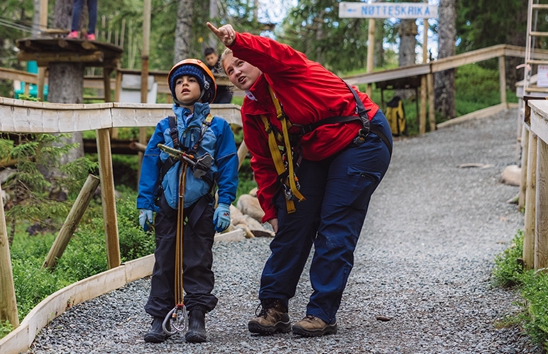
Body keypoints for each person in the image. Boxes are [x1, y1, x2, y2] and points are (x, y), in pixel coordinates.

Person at [206, 22, 392, 338]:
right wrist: (271, 211)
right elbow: (263, 162)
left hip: (361, 137)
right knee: (293, 220)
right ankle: (274, 308)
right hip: (318, 149)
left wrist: (237, 41)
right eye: (230, 70)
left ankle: (322, 313)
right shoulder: (253, 109)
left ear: (255, 60)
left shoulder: (287, 69)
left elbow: (272, 52)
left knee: (335, 222)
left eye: (241, 62)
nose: (236, 72)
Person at [136, 59, 239, 343]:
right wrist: (145, 204)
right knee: (164, 260)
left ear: (204, 88)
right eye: (179, 82)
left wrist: (224, 203)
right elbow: (151, 164)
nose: (184, 84)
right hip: (167, 202)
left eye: (191, 80)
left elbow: (228, 165)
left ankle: (196, 317)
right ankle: (160, 317)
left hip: (200, 203)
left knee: (198, 260)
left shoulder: (218, 127)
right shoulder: (165, 126)